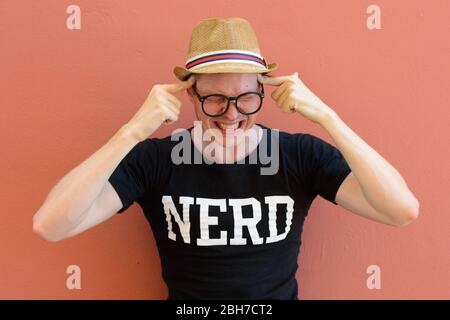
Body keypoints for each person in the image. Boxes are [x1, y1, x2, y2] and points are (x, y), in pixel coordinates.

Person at [32, 17, 419, 300]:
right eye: (215, 98)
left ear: (263, 91)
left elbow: (400, 210)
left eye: (246, 97)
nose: (232, 114)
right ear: (191, 96)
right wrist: (133, 130)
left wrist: (327, 118)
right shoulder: (155, 160)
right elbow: (51, 225)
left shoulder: (300, 155)